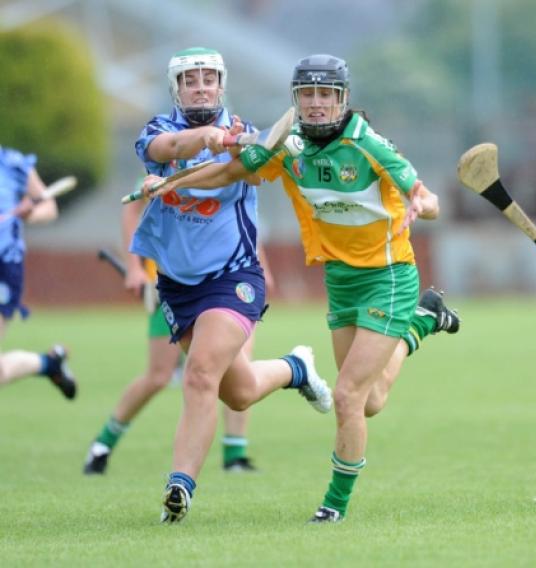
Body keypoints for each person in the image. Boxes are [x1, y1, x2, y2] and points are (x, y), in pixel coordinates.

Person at [143, 54, 461, 523]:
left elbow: (425, 195)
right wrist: (175, 184)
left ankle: (334, 505)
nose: (315, 103)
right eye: (307, 94)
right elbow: (230, 173)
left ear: (342, 99)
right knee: (370, 401)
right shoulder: (288, 145)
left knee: (348, 396)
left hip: (389, 276)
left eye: (325, 95)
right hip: (340, 279)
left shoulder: (369, 144)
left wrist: (422, 205)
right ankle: (423, 321)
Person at [132, 47, 333, 523]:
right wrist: (198, 145)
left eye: (209, 79)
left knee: (201, 373)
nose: (200, 87)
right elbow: (168, 149)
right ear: (176, 89)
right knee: (238, 392)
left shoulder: (247, 139)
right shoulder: (155, 131)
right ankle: (295, 368)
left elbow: (236, 172)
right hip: (177, 285)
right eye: (190, 80)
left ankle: (180, 487)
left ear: (221, 86)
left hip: (233, 276)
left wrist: (228, 146)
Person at [83, 183, 276, 474]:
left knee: (238, 367)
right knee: (159, 375)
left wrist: (264, 267)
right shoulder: (163, 169)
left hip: (226, 286)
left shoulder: (228, 167)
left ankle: (235, 452)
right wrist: (134, 268)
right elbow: (132, 210)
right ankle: (103, 443)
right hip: (175, 289)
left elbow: (243, 217)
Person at [0, 146, 76, 399]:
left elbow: (49, 208)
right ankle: (49, 364)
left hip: (4, 266)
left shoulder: (13, 164)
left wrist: (30, 214)